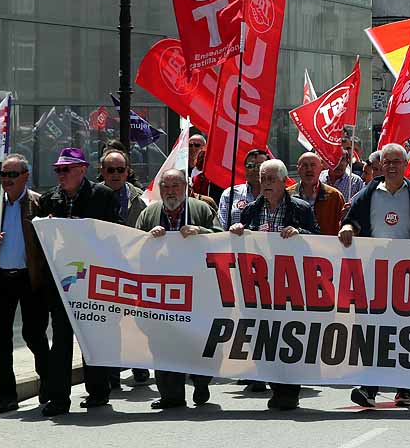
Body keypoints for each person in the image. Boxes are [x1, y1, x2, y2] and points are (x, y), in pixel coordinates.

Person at [341, 143, 410, 408]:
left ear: (405, 165)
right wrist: (348, 228)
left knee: (403, 330)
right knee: (372, 331)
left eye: (397, 161)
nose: (392, 166)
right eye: (387, 162)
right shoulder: (368, 194)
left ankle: (404, 387)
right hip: (375, 273)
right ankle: (369, 387)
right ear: (380, 166)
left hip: (407, 276)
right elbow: (351, 221)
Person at [34, 148, 119, 416]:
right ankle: (59, 398)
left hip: (91, 278)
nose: (61, 175)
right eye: (58, 170)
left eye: (65, 169)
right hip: (63, 281)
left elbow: (112, 233)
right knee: (60, 340)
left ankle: (98, 391)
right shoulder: (50, 199)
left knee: (91, 336)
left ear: (82, 169)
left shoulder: (102, 196)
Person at [229, 159, 318, 410]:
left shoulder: (300, 209)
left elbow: (319, 239)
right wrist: (237, 230)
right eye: (262, 178)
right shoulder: (250, 211)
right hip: (259, 286)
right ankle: (276, 385)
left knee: (288, 337)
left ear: (282, 182)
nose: (265, 183)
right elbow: (240, 242)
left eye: (270, 179)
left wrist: (301, 234)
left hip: (290, 285)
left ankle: (288, 391)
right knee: (264, 339)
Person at [135, 169, 220, 409]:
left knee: (198, 340)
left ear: (185, 187)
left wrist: (201, 232)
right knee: (162, 343)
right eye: (166, 187)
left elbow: (222, 238)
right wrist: (147, 238)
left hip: (197, 291)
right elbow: (132, 244)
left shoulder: (201, 210)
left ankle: (201, 381)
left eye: (175, 186)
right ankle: (171, 395)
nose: (171, 191)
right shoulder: (149, 213)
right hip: (161, 293)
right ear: (159, 190)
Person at [0, 153, 49, 414]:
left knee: (34, 334)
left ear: (25, 176)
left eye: (12, 175)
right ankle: (7, 395)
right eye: (3, 174)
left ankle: (48, 387)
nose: (6, 179)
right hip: (2, 279)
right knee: (0, 337)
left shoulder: (37, 203)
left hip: (30, 278)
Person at [97, 143, 150, 388]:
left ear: (128, 171)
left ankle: (140, 366)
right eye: (110, 170)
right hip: (104, 269)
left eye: (120, 169)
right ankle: (111, 375)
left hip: (134, 268)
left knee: (136, 320)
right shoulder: (93, 197)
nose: (116, 174)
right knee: (109, 324)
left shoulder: (141, 199)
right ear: (102, 171)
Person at [294, 152, 346, 235]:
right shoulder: (287, 195)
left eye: (313, 165)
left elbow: (344, 224)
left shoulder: (335, 196)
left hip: (326, 246)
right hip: (294, 246)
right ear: (298, 169)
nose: (309, 169)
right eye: (305, 165)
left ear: (321, 168)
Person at [217, 148, 269, 230]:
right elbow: (221, 227)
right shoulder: (230, 194)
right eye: (250, 166)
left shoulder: (276, 194)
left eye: (260, 166)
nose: (255, 169)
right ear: (244, 169)